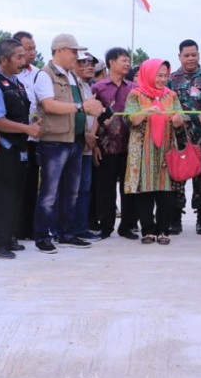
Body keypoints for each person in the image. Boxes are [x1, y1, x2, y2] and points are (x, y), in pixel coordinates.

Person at [33, 34, 103, 253]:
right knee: (49, 192)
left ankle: (66, 233)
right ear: (60, 50)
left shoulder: (73, 77)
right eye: (73, 51)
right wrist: (82, 107)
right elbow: (49, 105)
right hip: (54, 141)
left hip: (75, 140)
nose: (76, 56)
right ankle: (42, 236)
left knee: (71, 192)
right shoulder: (46, 75)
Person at [0, 39, 42, 258]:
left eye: (24, 56)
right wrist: (27, 128)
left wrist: (33, 124)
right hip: (3, 146)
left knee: (16, 195)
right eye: (18, 57)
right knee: (4, 195)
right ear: (3, 60)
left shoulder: (16, 82)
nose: (24, 62)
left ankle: (9, 237)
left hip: (19, 147)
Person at [124, 58, 185, 244]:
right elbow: (131, 119)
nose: (162, 79)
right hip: (143, 150)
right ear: (148, 73)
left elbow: (181, 117)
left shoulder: (171, 95)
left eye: (165, 75)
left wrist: (178, 120)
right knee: (145, 191)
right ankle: (148, 230)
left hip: (166, 150)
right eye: (159, 75)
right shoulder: (135, 94)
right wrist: (147, 111)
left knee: (166, 191)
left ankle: (163, 231)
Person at [168, 39, 201, 235]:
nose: (190, 58)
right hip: (178, 138)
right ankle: (175, 219)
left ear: (199, 55)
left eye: (194, 54)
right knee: (176, 178)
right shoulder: (172, 80)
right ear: (179, 56)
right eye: (186, 55)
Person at [92, 47, 139, 240]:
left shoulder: (133, 89)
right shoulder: (98, 88)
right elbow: (92, 118)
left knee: (129, 188)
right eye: (123, 60)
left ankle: (127, 226)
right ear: (111, 62)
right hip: (105, 145)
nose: (127, 64)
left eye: (128, 61)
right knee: (106, 189)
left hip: (129, 145)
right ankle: (106, 226)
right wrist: (93, 143)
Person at [13, 31, 40, 241]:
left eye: (33, 48)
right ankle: (13, 230)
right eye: (27, 49)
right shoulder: (2, 72)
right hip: (13, 138)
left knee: (32, 184)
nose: (32, 52)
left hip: (35, 138)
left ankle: (28, 228)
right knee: (14, 186)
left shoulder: (38, 73)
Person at [72, 51, 102, 242]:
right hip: (75, 140)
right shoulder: (70, 86)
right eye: (83, 62)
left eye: (91, 62)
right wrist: (85, 135)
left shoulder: (87, 87)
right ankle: (66, 230)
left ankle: (81, 228)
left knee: (84, 188)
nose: (89, 65)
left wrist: (92, 136)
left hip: (88, 143)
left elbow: (95, 115)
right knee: (70, 189)